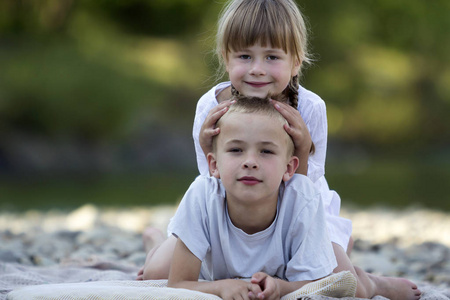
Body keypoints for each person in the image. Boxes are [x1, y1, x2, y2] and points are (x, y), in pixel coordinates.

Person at [138, 0, 421, 299]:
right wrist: (208, 144)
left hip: (299, 210)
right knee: (156, 274)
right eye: (245, 56)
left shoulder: (310, 108)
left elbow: (304, 187)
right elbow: (212, 182)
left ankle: (373, 281)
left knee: (343, 283)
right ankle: (156, 241)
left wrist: (301, 145)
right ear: (226, 58)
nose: (257, 70)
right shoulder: (211, 107)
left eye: (272, 57)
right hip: (233, 209)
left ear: (296, 61)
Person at [167, 96, 337, 299]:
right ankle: (153, 240)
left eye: (266, 151)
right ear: (213, 164)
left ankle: (370, 276)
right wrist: (219, 287)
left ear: (289, 167)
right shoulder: (202, 195)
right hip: (207, 268)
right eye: (236, 150)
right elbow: (178, 283)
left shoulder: (302, 197)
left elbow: (318, 285)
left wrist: (280, 287)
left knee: (351, 282)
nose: (250, 162)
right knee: (155, 271)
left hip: (294, 261)